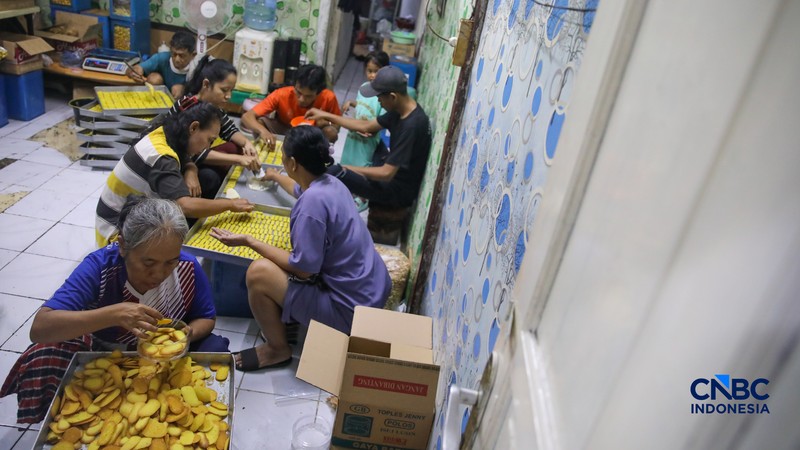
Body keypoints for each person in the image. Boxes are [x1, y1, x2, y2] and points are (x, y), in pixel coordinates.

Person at [1, 196, 230, 424]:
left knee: (217, 349)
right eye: (148, 263)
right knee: (44, 355)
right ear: (123, 246)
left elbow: (206, 318)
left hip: (167, 356)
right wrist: (113, 314)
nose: (160, 274)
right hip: (107, 351)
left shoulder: (188, 267)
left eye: (170, 262)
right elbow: (40, 328)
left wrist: (185, 335)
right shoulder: (99, 268)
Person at [209, 126, 391, 372]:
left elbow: (304, 269)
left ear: (293, 162)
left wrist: (250, 241)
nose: (283, 161)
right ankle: (293, 317)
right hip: (374, 288)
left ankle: (277, 349)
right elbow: (298, 189)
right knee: (282, 262)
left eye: (284, 157)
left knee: (259, 272)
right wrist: (273, 176)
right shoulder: (331, 182)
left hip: (351, 311)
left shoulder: (311, 207)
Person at [95, 100, 254, 247]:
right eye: (209, 140)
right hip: (115, 235)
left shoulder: (164, 132)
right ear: (193, 128)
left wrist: (191, 169)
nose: (207, 147)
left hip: (125, 217)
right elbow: (185, 206)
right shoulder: (162, 157)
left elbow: (185, 158)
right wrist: (230, 205)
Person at [306, 66, 432, 210]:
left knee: (336, 172)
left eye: (379, 97)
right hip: (394, 169)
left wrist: (346, 168)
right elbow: (366, 126)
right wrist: (325, 115)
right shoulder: (402, 109)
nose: (378, 101)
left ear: (392, 96)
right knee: (374, 146)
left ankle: (318, 206)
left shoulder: (411, 126)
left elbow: (386, 173)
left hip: (397, 191)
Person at [169, 55, 261, 199]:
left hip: (192, 157)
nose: (228, 96)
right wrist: (238, 159)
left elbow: (229, 129)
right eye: (224, 90)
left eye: (231, 90)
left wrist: (247, 143)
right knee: (210, 178)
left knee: (236, 146)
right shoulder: (188, 108)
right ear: (206, 84)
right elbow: (195, 152)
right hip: (177, 162)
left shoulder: (213, 107)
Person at [340, 51, 416, 168]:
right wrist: (352, 103)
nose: (372, 75)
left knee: (361, 167)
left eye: (376, 71)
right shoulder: (363, 88)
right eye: (369, 71)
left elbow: (379, 123)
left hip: (366, 140)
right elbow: (363, 105)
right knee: (345, 164)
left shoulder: (384, 97)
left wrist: (363, 129)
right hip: (353, 135)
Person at [241, 64, 342, 148]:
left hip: (311, 136)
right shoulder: (281, 94)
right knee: (259, 123)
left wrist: (326, 123)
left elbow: (337, 125)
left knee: (330, 132)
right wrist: (262, 131)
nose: (301, 99)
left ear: (318, 92)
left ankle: (318, 161)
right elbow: (247, 117)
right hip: (285, 130)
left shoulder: (328, 97)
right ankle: (264, 152)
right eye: (298, 92)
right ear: (294, 85)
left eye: (308, 96)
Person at [127, 30, 196, 98]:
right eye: (174, 54)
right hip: (159, 100)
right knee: (154, 79)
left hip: (185, 104)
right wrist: (133, 72)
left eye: (182, 56)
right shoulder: (162, 58)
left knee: (178, 89)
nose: (176, 59)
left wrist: (185, 90)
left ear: (193, 55)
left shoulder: (199, 68)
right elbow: (131, 70)